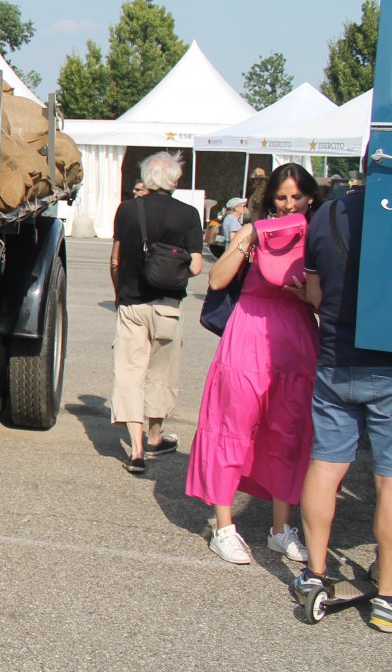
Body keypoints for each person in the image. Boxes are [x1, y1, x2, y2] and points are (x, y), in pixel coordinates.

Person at [186, 163, 321, 565]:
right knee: (233, 427)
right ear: (270, 198)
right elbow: (216, 281)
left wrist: (304, 295)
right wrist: (249, 237)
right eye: (282, 197)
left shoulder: (314, 236)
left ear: (310, 197)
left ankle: (281, 528)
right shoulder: (253, 231)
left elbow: (321, 299)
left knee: (288, 431)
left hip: (295, 337)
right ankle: (223, 526)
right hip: (248, 333)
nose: (289, 204)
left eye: (297, 197)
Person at [291, 174, 392, 632]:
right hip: (390, 363)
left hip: (335, 358)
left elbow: (313, 294)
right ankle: (389, 595)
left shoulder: (326, 214)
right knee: (390, 480)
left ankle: (314, 574)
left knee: (326, 465)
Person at [110, 152, 203, 476]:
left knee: (130, 374)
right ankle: (155, 436)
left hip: (132, 304)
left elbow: (115, 260)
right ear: (175, 180)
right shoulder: (189, 215)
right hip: (167, 306)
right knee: (161, 375)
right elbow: (196, 265)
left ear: (146, 178)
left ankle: (135, 451)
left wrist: (119, 293)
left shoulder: (127, 210)